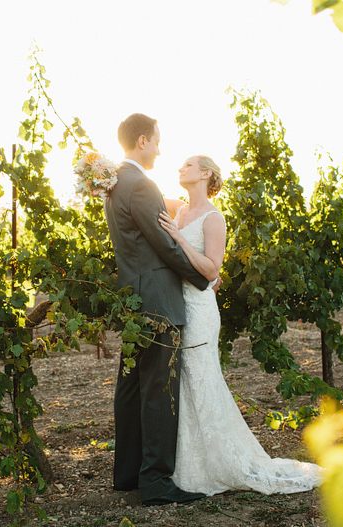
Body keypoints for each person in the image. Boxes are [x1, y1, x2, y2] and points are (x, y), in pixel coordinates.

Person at [158, 155, 323, 496]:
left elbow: (211, 270)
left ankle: (220, 464)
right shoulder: (180, 210)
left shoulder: (213, 218)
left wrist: (180, 238)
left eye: (188, 165)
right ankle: (188, 464)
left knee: (202, 380)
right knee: (186, 385)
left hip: (201, 310)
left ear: (206, 173)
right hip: (178, 305)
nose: (180, 168)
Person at [104, 114, 209, 506]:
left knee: (131, 388)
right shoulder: (140, 184)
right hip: (158, 302)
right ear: (143, 140)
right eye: (158, 142)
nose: (161, 151)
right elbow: (164, 245)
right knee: (158, 390)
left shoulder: (114, 183)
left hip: (133, 299)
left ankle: (129, 475)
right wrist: (201, 279)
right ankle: (158, 483)